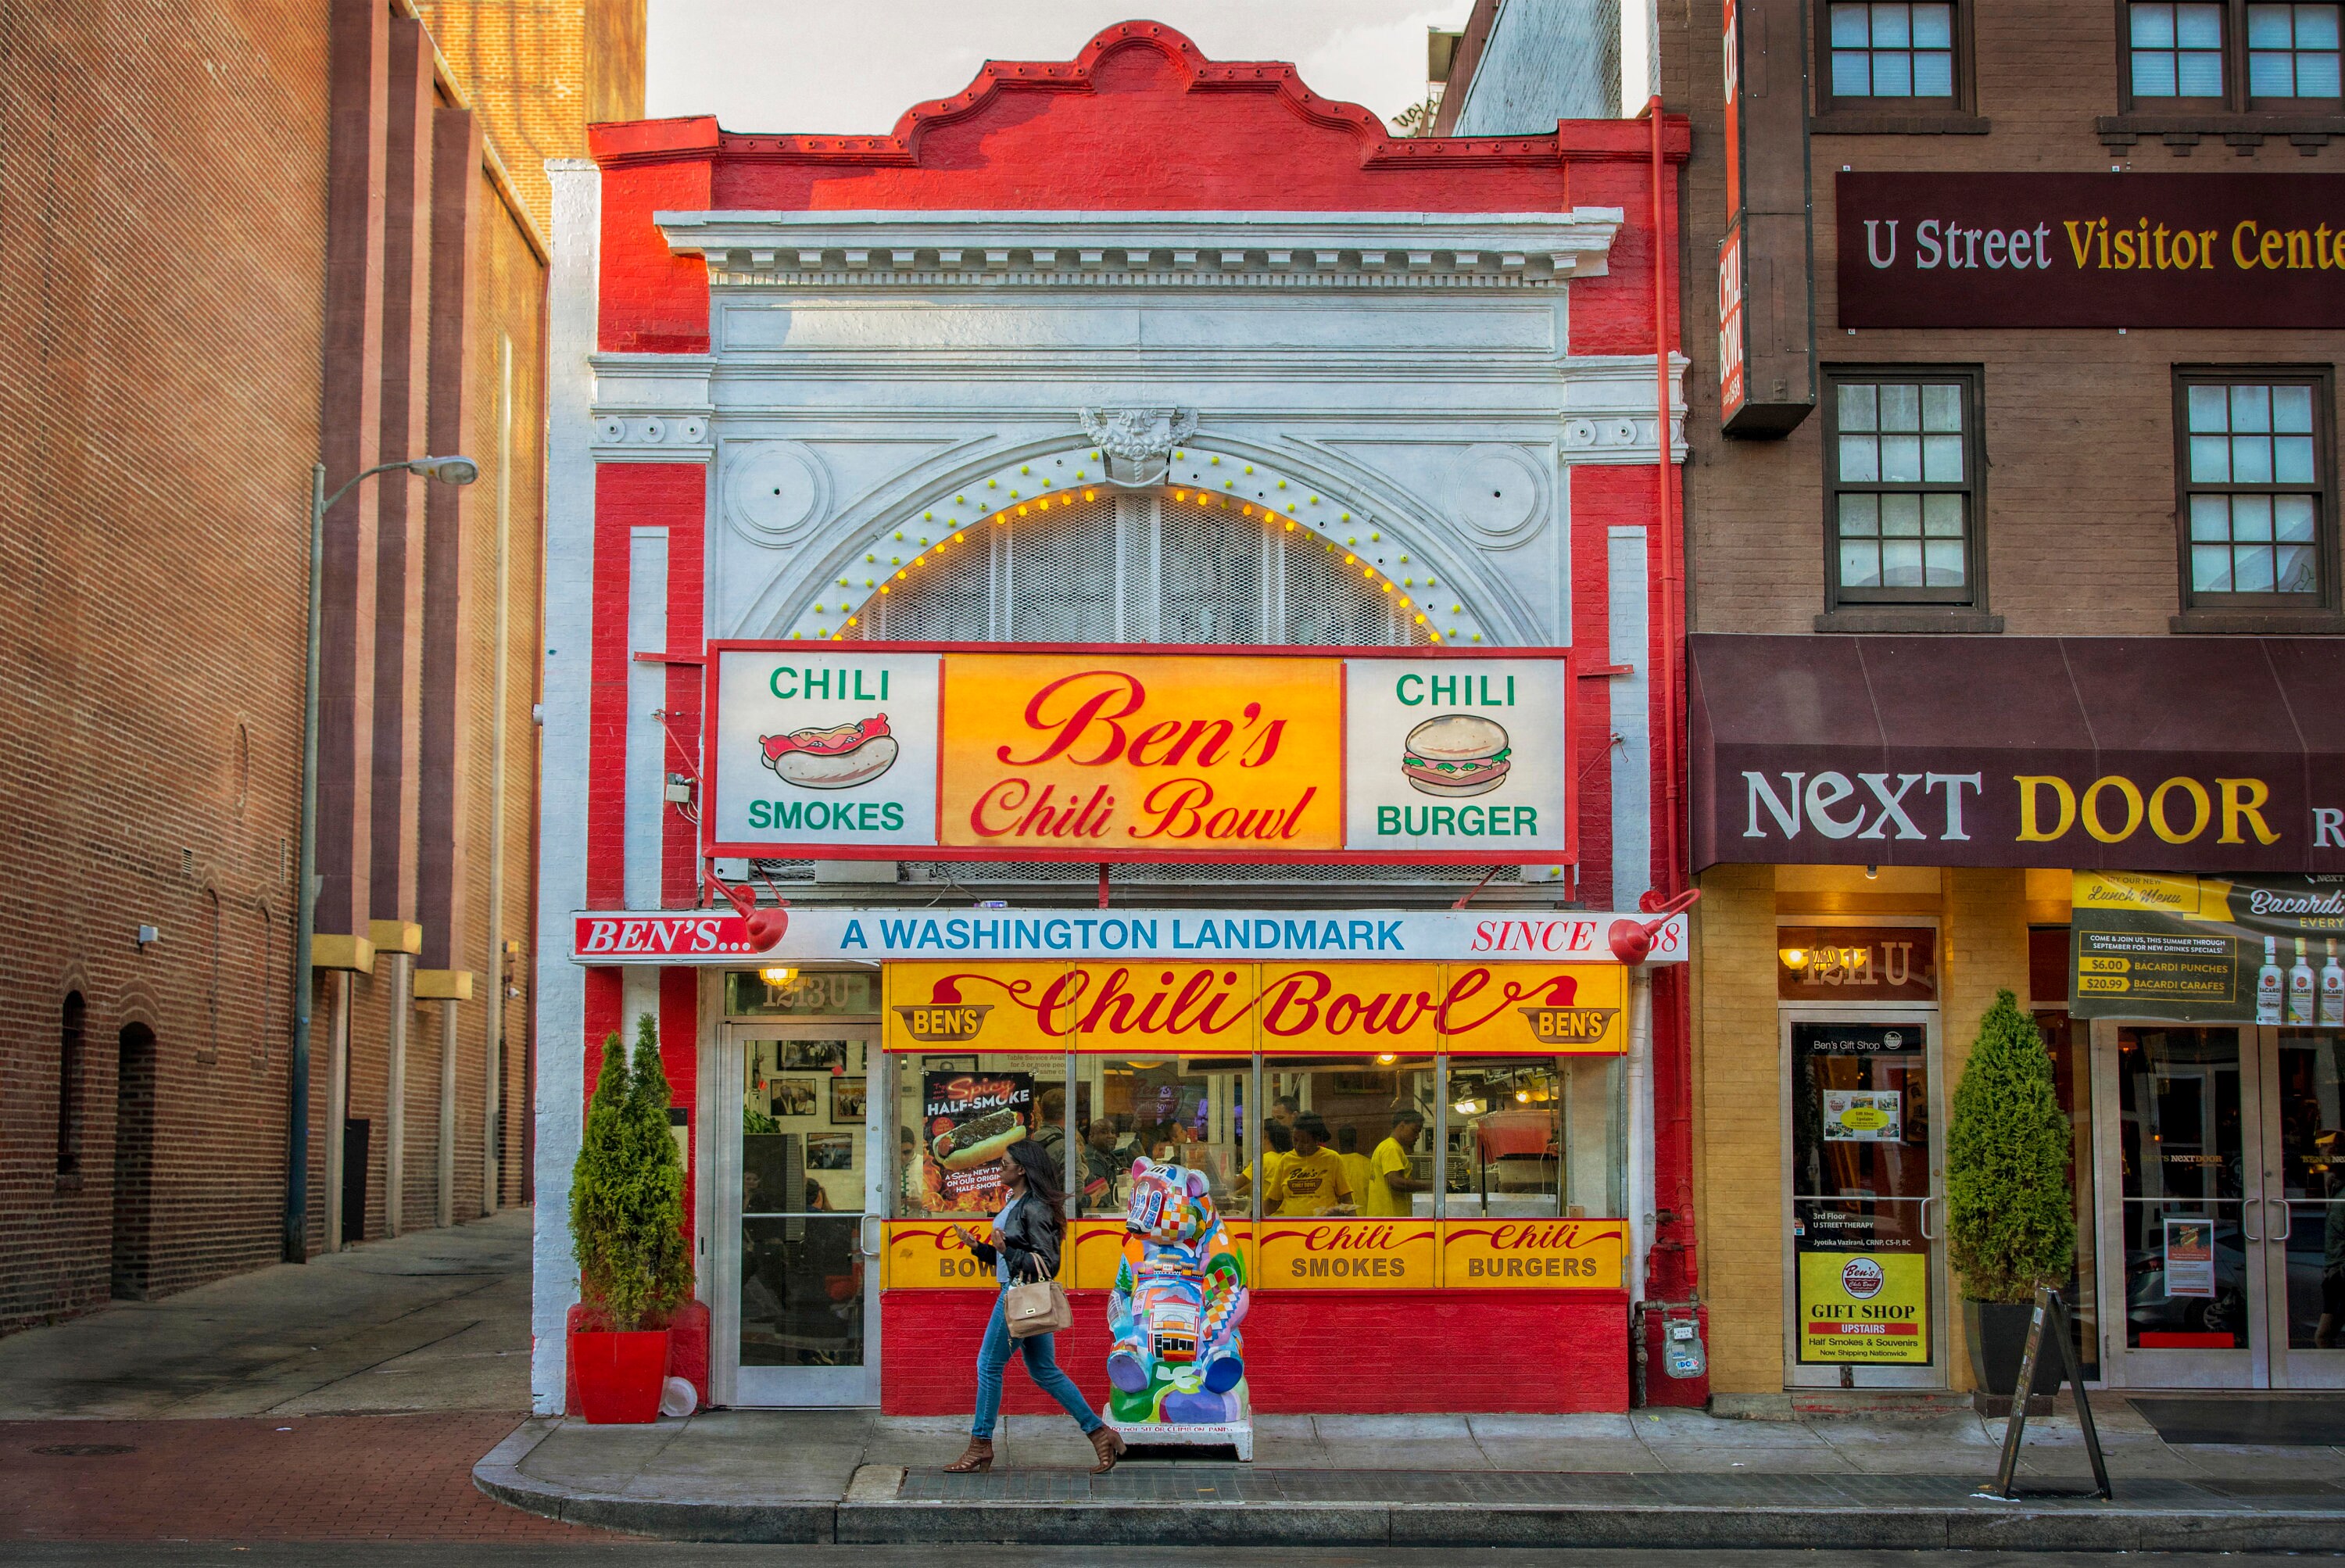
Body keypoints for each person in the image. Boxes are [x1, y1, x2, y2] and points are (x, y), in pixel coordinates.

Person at [944, 1139, 1124, 1475]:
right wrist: (978, 1247)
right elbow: (1010, 1252)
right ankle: (1100, 1434)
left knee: (988, 1366)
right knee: (1044, 1370)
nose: (1000, 1169)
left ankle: (980, 1444)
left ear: (1022, 1169)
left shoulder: (1035, 1206)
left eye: (1004, 1164)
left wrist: (1006, 1250)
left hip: (1020, 1296)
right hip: (1024, 1294)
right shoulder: (1017, 1201)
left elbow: (1047, 1262)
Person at [1265, 1112, 1352, 1215]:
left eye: (1305, 1142)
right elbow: (1273, 1201)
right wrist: (1254, 1217)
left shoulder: (1332, 1159)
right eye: (1295, 1140)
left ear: (1316, 1140)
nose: (1298, 1146)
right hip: (1292, 1228)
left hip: (1324, 1227)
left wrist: (1354, 1225)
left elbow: (1346, 1198)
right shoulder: (1286, 1160)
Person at [1362, 1110, 1432, 1218]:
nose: (1417, 1137)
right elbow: (1396, 1182)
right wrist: (1432, 1185)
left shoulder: (1389, 1146)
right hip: (1390, 1221)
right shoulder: (1391, 1148)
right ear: (1402, 1126)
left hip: (1387, 1219)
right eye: (1415, 1131)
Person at [1232, 1117, 1294, 1205]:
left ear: (1264, 1135)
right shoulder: (1282, 1158)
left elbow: (1235, 1185)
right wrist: (1237, 1194)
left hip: (1268, 1213)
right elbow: (1256, 1184)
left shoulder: (1264, 1160)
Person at [1081, 1117, 1122, 1209]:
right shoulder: (1092, 1159)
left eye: (1113, 1132)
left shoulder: (1110, 1156)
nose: (1111, 1136)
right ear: (1091, 1137)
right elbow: (1102, 1197)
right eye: (1104, 1132)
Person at [1335, 1126, 1374, 1212]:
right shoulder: (1368, 1164)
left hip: (1340, 1219)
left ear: (1338, 1142)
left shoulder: (1333, 1164)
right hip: (1364, 1218)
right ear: (1355, 1142)